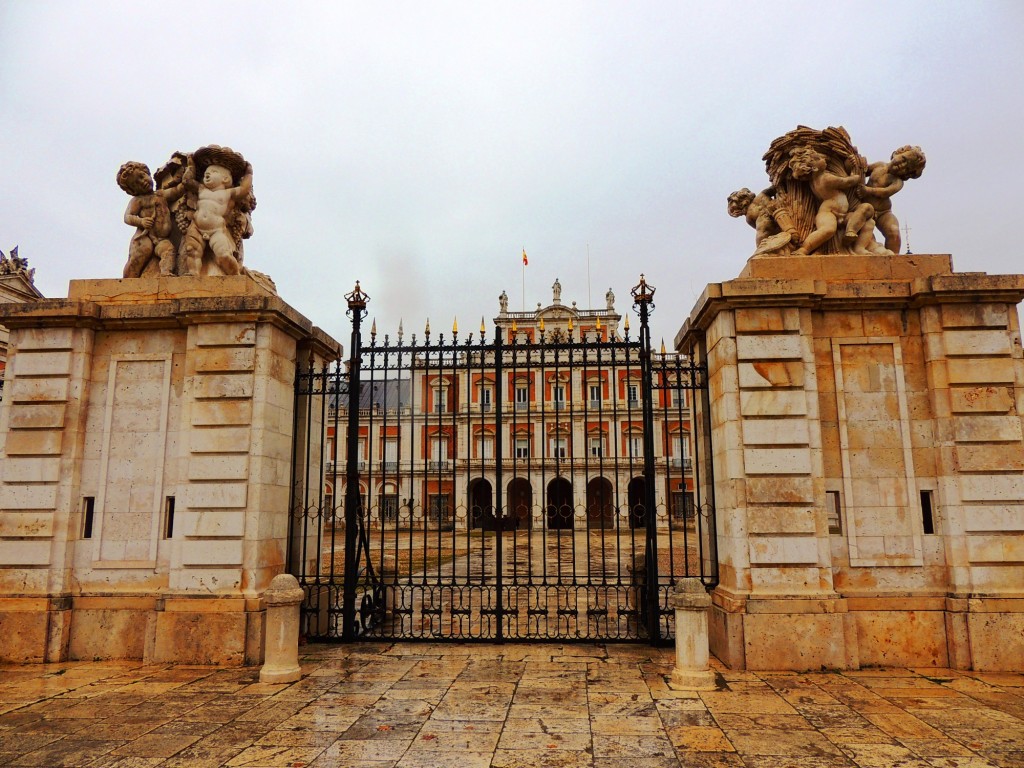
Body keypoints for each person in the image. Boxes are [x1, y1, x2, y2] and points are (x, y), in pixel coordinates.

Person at [788, 147, 875, 256]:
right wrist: (855, 172)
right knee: (828, 229)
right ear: (814, 168)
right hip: (828, 213)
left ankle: (859, 247)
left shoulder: (815, 179)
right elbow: (847, 182)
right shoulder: (826, 178)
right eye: (819, 158)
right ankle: (804, 249)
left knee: (868, 222)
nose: (824, 159)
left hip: (843, 215)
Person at [181, 147, 253, 276]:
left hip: (216, 230)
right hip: (196, 227)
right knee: (191, 250)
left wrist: (249, 174)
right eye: (206, 173)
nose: (207, 174)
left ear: (225, 179)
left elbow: (244, 189)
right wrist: (191, 165)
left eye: (213, 172)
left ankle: (235, 274)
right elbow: (187, 181)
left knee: (224, 254)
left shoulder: (228, 193)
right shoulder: (201, 189)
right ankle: (193, 273)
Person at [117, 161, 185, 278]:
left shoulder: (160, 194)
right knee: (138, 258)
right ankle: (128, 280)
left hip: (161, 239)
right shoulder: (138, 200)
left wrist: (187, 179)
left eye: (142, 176)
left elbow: (176, 192)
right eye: (135, 184)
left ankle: (165, 273)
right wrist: (141, 221)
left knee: (168, 251)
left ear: (147, 173)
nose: (142, 182)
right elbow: (127, 217)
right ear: (132, 190)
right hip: (144, 237)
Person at [859, 145, 926, 254]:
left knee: (893, 231)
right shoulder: (879, 166)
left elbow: (885, 192)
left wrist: (867, 190)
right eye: (903, 159)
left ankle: (892, 260)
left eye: (907, 168)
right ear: (897, 153)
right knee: (866, 233)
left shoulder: (898, 182)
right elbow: (862, 171)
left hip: (883, 212)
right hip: (865, 209)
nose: (902, 166)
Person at [727, 186, 797, 255]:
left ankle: (761, 251)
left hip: (776, 228)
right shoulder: (761, 196)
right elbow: (775, 187)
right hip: (780, 225)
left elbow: (775, 187)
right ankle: (762, 251)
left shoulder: (749, 217)